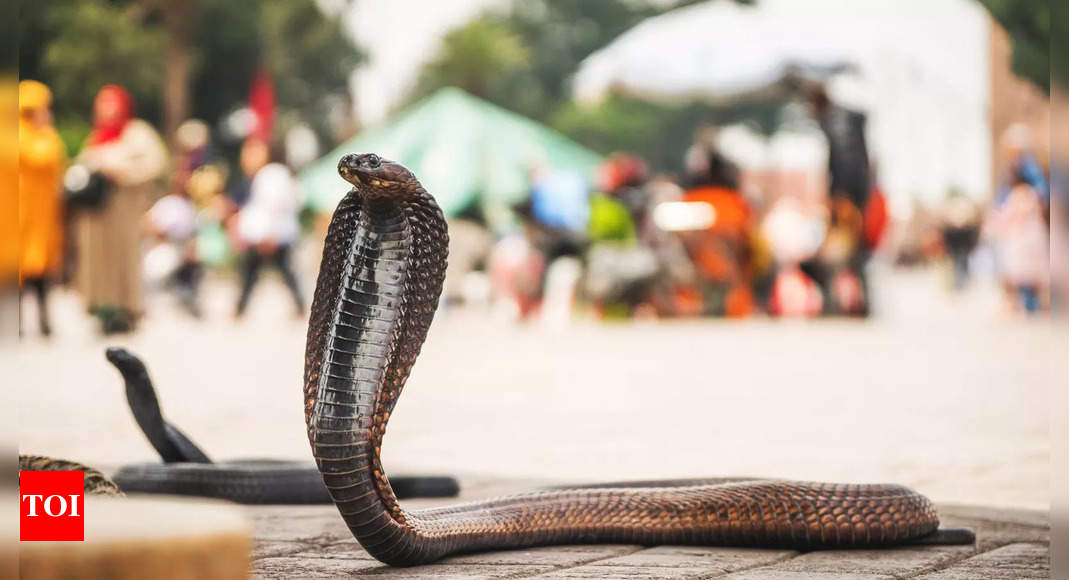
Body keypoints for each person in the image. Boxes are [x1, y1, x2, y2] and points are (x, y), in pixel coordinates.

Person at [74, 85, 168, 333]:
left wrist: (122, 172)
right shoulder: (97, 137)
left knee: (125, 261)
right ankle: (104, 311)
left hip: (125, 212)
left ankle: (128, 310)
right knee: (98, 263)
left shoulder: (138, 133)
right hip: (97, 215)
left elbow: (155, 164)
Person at [233, 138, 305, 318]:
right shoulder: (267, 175)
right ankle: (241, 308)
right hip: (267, 234)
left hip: (271, 234)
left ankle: (300, 307)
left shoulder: (271, 175)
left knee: (280, 271)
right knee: (256, 271)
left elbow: (274, 207)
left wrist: (270, 234)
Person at [18, 80, 67, 336]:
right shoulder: (21, 136)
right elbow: (43, 157)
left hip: (42, 217)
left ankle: (44, 321)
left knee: (42, 274)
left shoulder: (45, 135)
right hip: (20, 216)